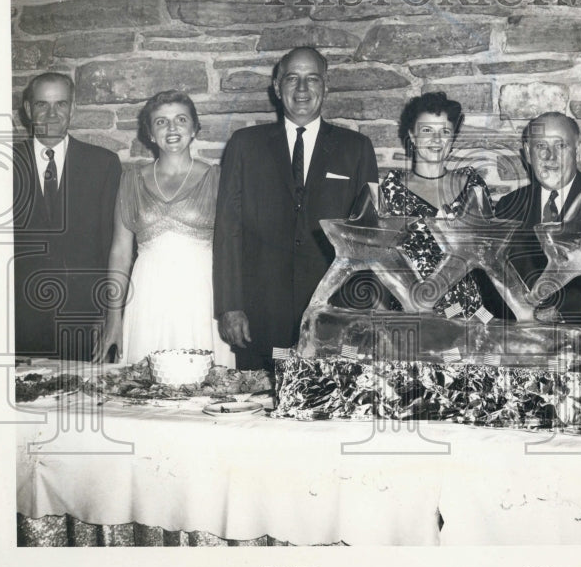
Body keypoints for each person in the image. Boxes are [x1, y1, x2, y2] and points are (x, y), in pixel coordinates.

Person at [213, 47, 378, 369]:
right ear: (277, 87)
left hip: (332, 315)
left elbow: (368, 238)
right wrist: (230, 306)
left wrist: (361, 313)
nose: (302, 90)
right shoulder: (245, 145)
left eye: (312, 79)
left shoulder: (356, 148)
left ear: (325, 86)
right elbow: (228, 229)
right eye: (292, 79)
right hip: (259, 316)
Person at [93, 91, 234, 367]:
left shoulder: (218, 179)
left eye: (181, 119)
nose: (172, 128)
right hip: (147, 296)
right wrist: (114, 318)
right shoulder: (130, 181)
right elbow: (120, 254)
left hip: (202, 296)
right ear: (149, 133)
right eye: (161, 122)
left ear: (195, 129)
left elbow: (234, 249)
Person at [13, 72, 121, 361]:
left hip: (85, 321)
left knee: (85, 402)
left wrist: (108, 315)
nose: (51, 113)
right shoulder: (2, 165)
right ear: (27, 110)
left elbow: (112, 245)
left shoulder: (103, 164)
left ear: (73, 109)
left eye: (60, 104)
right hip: (16, 322)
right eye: (41, 105)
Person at [494, 112, 581, 327]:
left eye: (561, 146)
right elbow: (497, 281)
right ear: (527, 153)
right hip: (521, 339)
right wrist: (525, 313)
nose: (550, 157)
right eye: (541, 147)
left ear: (578, 151)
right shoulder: (508, 206)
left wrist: (558, 313)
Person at [380, 92, 493, 318]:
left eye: (445, 131)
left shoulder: (473, 185)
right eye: (427, 130)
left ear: (452, 138)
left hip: (469, 315)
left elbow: (489, 253)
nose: (436, 139)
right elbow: (379, 264)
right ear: (412, 135)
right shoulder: (391, 190)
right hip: (412, 315)